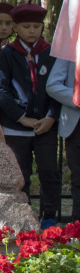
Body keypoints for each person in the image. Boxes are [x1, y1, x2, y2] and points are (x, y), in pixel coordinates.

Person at [0, 3, 61, 228]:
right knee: (20, 175)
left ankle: (50, 217)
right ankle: (25, 220)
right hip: (16, 126)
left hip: (45, 126)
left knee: (50, 171)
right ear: (15, 27)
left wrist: (51, 117)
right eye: (26, 26)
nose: (32, 31)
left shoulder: (51, 52)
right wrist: (21, 117)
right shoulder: (7, 54)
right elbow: (0, 90)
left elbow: (59, 86)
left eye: (36, 26)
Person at [46, 57, 79, 224]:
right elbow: (52, 85)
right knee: (78, 180)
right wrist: (77, 98)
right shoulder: (69, 50)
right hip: (76, 124)